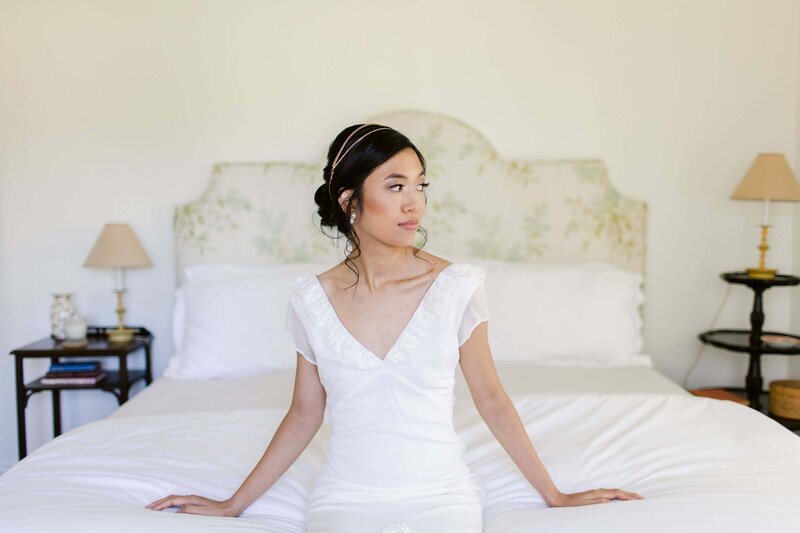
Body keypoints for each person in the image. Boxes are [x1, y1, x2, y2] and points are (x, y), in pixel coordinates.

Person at [146, 123, 642, 531]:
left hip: (441, 496)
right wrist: (233, 505)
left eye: (420, 185)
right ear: (349, 200)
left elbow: (490, 397)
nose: (414, 203)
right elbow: (303, 414)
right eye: (396, 186)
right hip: (346, 497)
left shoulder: (456, 288)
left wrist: (554, 495)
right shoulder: (312, 301)